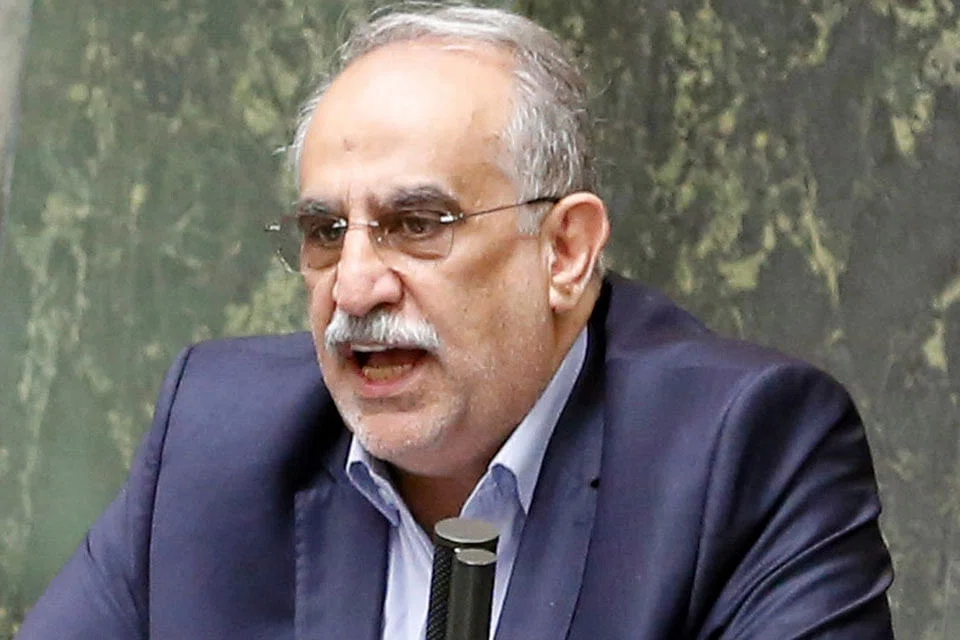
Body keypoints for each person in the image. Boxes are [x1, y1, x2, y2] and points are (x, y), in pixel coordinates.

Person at [18, 4, 894, 639]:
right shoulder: (215, 439)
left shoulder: (745, 452)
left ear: (565, 251)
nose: (355, 287)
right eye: (326, 232)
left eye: (415, 224)